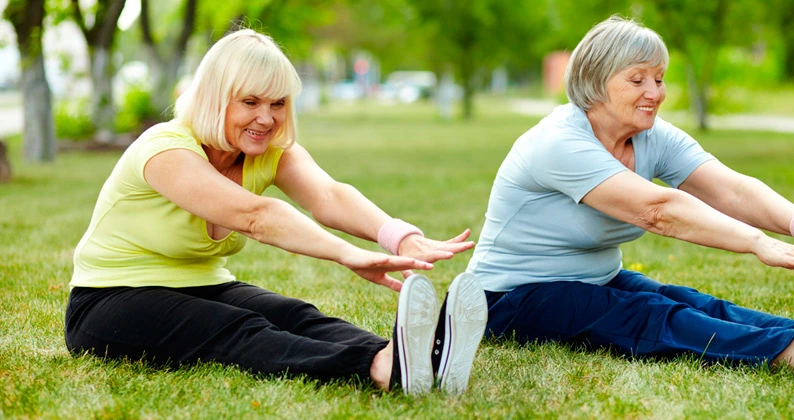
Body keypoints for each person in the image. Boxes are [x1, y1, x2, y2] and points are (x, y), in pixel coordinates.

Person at [64, 29, 488, 396]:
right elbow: (255, 215)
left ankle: (417, 359)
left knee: (296, 315)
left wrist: (398, 236)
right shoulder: (165, 149)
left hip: (202, 284)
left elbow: (328, 194)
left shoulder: (269, 151)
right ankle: (378, 368)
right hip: (110, 300)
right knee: (239, 330)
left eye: (278, 103)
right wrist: (346, 253)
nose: (266, 118)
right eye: (250, 101)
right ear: (216, 98)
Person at [467, 16, 794, 372]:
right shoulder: (558, 142)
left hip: (592, 278)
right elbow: (657, 211)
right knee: (647, 315)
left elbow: (731, 189)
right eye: (637, 80)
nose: (655, 93)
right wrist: (758, 243)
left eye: (659, 79)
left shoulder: (651, 135)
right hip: (506, 300)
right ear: (594, 83)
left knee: (687, 302)